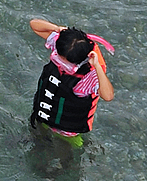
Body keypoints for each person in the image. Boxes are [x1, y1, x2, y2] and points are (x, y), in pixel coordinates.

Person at [28, 18, 113, 146]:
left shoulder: (88, 78)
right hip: (43, 117)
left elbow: (108, 96)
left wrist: (97, 66)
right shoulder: (63, 48)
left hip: (68, 134)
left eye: (65, 64)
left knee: (65, 160)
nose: (60, 65)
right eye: (57, 59)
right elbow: (34, 25)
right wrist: (57, 28)